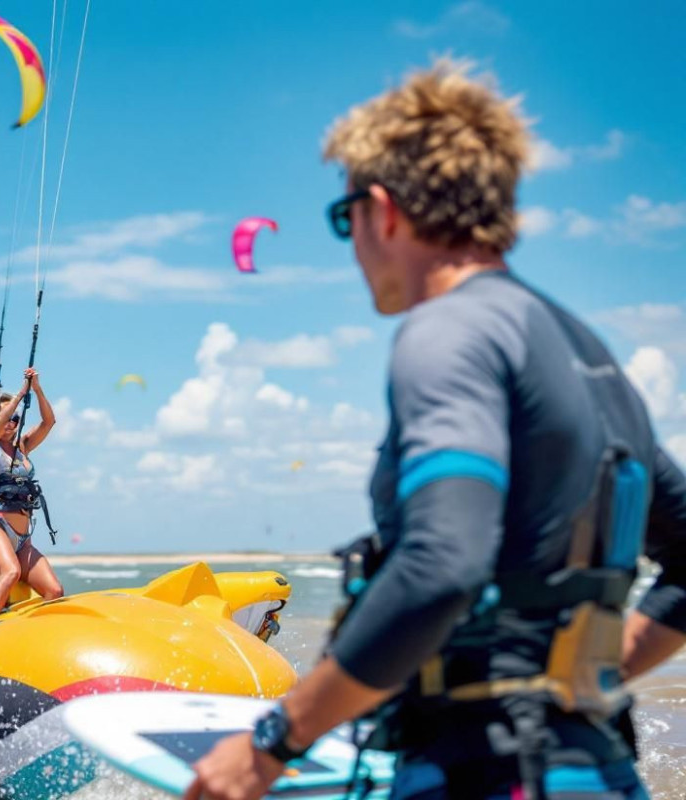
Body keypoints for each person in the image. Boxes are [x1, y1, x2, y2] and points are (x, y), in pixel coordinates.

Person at [185, 59, 686, 800]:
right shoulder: (583, 348)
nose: (351, 243)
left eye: (343, 218)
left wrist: (276, 739)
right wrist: (575, 675)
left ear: (382, 210)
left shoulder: (450, 333)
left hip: (484, 774)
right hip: (598, 770)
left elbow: (443, 563)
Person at [0, 367, 64, 622]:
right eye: (7, 417)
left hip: (22, 539)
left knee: (54, 590)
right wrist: (20, 393)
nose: (11, 423)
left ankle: (28, 634)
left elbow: (49, 422)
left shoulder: (23, 447)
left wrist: (37, 389)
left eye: (16, 419)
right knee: (10, 572)